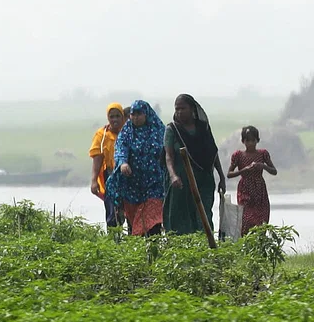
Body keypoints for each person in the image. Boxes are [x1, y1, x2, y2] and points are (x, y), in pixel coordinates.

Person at [164, 93, 227, 239]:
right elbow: (169, 157)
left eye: (183, 108)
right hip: (181, 181)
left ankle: (206, 251)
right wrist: (173, 176)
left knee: (203, 217)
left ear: (192, 109)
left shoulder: (203, 128)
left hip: (204, 180)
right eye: (177, 109)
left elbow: (213, 152)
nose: (179, 112)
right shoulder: (172, 130)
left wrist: (221, 177)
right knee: (180, 219)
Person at [110, 100, 167, 236]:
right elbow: (120, 149)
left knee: (153, 221)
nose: (135, 117)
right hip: (133, 185)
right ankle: (138, 252)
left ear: (146, 114)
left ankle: (154, 247)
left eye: (139, 114)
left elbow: (168, 151)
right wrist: (123, 163)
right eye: (132, 114)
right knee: (135, 222)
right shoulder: (126, 132)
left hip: (154, 184)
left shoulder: (159, 130)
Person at [228, 125, 278, 232]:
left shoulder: (263, 154)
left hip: (260, 191)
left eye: (253, 140)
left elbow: (274, 171)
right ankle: (246, 244)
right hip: (245, 190)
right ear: (243, 141)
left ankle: (259, 245)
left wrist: (263, 166)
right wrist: (243, 170)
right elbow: (229, 174)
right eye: (247, 141)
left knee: (261, 220)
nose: (250, 143)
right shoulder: (238, 155)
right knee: (246, 219)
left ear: (257, 140)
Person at [88, 102, 126, 228]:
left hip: (128, 175)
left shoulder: (128, 133)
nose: (114, 119)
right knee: (112, 212)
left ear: (123, 117)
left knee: (130, 212)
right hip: (110, 177)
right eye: (112, 117)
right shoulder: (102, 135)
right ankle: (113, 242)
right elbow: (97, 159)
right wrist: (94, 181)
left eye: (117, 116)